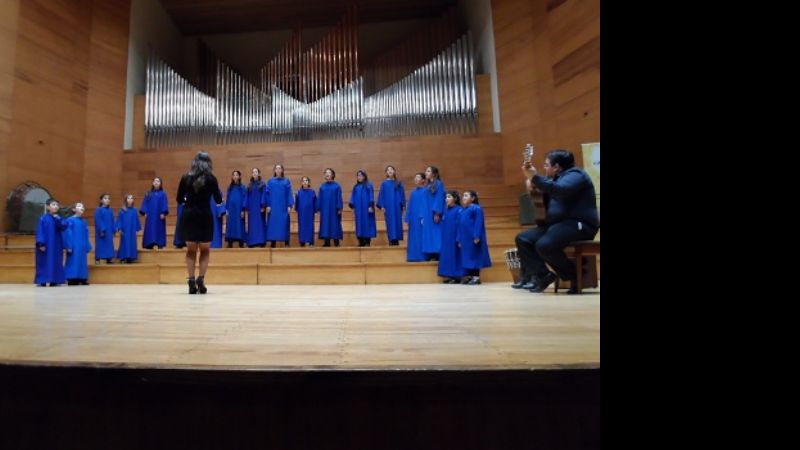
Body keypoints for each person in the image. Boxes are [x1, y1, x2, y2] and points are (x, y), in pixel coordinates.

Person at [514, 149, 600, 294]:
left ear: (557, 167)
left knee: (545, 244)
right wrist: (532, 184)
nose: (545, 167)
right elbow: (545, 193)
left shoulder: (576, 175)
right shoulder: (554, 180)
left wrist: (535, 177)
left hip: (580, 225)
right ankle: (544, 275)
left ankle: (574, 275)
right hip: (558, 226)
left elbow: (561, 189)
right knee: (523, 239)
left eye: (547, 165)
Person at [176, 151, 223, 294]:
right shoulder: (212, 179)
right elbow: (218, 200)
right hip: (204, 215)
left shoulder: (185, 178)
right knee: (204, 250)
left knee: (190, 251)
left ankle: (191, 280)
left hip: (189, 215)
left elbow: (179, 199)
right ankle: (201, 279)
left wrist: (187, 201)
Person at [457, 190, 491, 285]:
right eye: (463, 195)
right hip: (465, 239)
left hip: (473, 238)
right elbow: (459, 226)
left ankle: (476, 277)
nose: (464, 197)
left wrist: (477, 235)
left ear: (473, 198)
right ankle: (470, 276)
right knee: (467, 258)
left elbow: (478, 223)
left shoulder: (476, 208)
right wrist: (458, 239)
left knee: (475, 257)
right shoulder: (462, 210)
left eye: (466, 195)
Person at [34, 198, 67, 287]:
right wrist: (41, 243)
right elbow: (40, 231)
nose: (56, 206)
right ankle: (42, 280)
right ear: (48, 207)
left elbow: (64, 226)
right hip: (46, 245)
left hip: (56, 245)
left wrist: (58, 219)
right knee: (44, 262)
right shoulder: (43, 219)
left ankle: (55, 280)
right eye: (53, 204)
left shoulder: (59, 218)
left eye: (57, 205)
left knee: (56, 261)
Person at [437, 191, 463, 283]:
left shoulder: (459, 210)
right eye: (446, 197)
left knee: (455, 256)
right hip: (446, 238)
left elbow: (460, 225)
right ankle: (449, 275)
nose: (446, 199)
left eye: (449, 197)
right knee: (447, 256)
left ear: (455, 199)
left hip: (454, 237)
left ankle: (456, 276)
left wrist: (458, 238)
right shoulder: (446, 210)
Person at [63, 202, 92, 285]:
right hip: (74, 245)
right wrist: (68, 246)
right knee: (73, 261)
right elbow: (68, 233)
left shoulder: (84, 222)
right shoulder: (70, 220)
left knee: (82, 261)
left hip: (82, 245)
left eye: (83, 206)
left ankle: (82, 278)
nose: (82, 207)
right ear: (74, 209)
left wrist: (87, 245)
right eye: (79, 206)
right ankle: (72, 278)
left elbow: (86, 234)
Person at [265, 164, 293, 248]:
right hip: (273, 207)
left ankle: (286, 242)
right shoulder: (270, 181)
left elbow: (289, 193)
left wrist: (289, 205)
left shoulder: (286, 181)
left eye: (279, 168)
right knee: (273, 224)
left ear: (282, 170)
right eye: (276, 168)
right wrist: (268, 205)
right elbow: (267, 193)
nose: (278, 170)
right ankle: (273, 242)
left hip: (283, 207)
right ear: (274, 170)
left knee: (284, 223)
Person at [376, 165, 405, 246]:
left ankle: (396, 240)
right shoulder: (384, 184)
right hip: (388, 207)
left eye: (391, 169)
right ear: (386, 173)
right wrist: (382, 206)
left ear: (394, 171)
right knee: (390, 223)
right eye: (388, 170)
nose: (390, 171)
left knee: (397, 222)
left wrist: (402, 204)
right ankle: (391, 240)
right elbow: (381, 195)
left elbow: (402, 194)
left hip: (397, 207)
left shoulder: (398, 183)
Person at [421, 166, 445, 261]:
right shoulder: (428, 185)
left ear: (434, 173)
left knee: (436, 233)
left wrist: (437, 213)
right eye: (426, 170)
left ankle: (437, 252)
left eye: (428, 171)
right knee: (429, 233)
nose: (426, 172)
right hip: (427, 213)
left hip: (433, 213)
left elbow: (439, 198)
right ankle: (431, 252)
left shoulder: (438, 184)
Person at [349, 170, 377, 247]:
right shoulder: (356, 187)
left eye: (361, 175)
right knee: (359, 224)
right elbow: (353, 197)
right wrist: (352, 206)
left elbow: (371, 195)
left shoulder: (368, 185)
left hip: (366, 209)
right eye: (358, 175)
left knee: (367, 223)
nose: (359, 177)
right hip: (358, 209)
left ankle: (367, 241)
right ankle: (361, 241)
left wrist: (370, 206)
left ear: (364, 176)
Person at [140, 177, 169, 249]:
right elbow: (145, 203)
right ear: (153, 183)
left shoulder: (163, 194)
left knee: (159, 229)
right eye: (155, 181)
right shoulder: (148, 193)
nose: (156, 182)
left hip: (159, 215)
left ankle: (160, 243)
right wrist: (145, 212)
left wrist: (163, 212)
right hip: (150, 215)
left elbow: (164, 203)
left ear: (160, 184)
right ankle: (149, 244)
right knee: (150, 229)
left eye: (158, 181)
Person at [405, 173, 427, 262]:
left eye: (418, 177)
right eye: (415, 177)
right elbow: (410, 206)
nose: (416, 179)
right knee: (413, 237)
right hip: (413, 218)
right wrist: (407, 217)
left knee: (421, 236)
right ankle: (412, 256)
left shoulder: (426, 191)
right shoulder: (413, 192)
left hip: (421, 218)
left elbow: (425, 205)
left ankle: (422, 256)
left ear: (423, 180)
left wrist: (423, 216)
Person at [318, 168, 343, 247]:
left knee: (335, 224)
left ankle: (336, 242)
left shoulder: (337, 186)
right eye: (326, 173)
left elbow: (339, 197)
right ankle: (326, 242)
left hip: (334, 210)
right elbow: (320, 198)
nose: (327, 174)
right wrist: (318, 207)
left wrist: (339, 208)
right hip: (325, 210)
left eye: (329, 172)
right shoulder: (322, 187)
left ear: (332, 175)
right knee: (325, 224)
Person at [116, 194, 141, 264]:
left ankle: (130, 257)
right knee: (124, 242)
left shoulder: (134, 210)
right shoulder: (122, 210)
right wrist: (119, 228)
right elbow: (120, 220)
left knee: (132, 243)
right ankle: (123, 258)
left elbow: (136, 220)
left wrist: (136, 229)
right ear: (126, 200)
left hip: (132, 229)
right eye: (128, 198)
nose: (130, 200)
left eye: (131, 198)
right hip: (125, 230)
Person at [225, 170, 247, 248]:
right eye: (233, 175)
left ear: (239, 176)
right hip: (231, 209)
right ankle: (230, 242)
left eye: (236, 175)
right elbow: (227, 199)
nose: (235, 176)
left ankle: (241, 242)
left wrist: (243, 209)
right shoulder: (230, 187)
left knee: (239, 225)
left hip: (239, 209)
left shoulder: (243, 187)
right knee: (230, 225)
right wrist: (226, 209)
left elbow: (245, 198)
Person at [245, 168, 267, 248]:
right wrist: (246, 206)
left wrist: (262, 205)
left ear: (259, 174)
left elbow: (264, 195)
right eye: (253, 172)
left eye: (256, 172)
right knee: (252, 225)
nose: (254, 173)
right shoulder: (249, 185)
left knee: (260, 224)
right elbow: (247, 196)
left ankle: (261, 241)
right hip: (252, 208)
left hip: (259, 207)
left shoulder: (262, 184)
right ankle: (251, 242)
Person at [294, 176, 318, 247]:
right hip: (301, 213)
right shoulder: (298, 192)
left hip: (310, 213)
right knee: (302, 226)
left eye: (306, 180)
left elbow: (315, 202)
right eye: (303, 181)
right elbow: (297, 204)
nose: (304, 182)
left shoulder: (312, 192)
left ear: (309, 182)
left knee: (310, 226)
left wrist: (315, 210)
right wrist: (297, 210)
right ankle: (302, 242)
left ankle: (311, 242)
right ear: (301, 183)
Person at [94, 193, 115, 264]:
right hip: (101, 231)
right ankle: (98, 259)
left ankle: (109, 258)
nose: (107, 200)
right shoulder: (98, 209)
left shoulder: (110, 210)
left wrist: (114, 229)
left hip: (109, 231)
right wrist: (102, 229)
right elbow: (98, 220)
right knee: (100, 245)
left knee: (109, 244)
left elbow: (112, 220)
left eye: (109, 198)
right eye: (105, 198)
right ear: (101, 200)